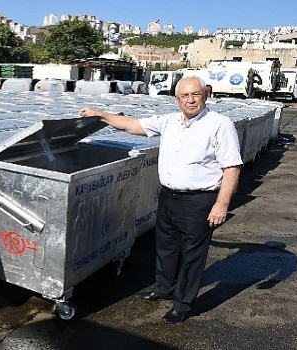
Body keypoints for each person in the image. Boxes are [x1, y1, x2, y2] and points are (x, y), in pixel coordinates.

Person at [79, 76, 242, 324]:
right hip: (168, 197)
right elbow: (132, 125)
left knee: (192, 254)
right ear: (176, 99)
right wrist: (99, 114)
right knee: (165, 247)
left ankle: (183, 303)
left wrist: (221, 205)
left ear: (205, 95)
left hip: (199, 200)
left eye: (195, 94)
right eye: (184, 96)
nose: (190, 100)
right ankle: (163, 287)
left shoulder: (219, 124)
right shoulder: (169, 121)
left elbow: (232, 167)